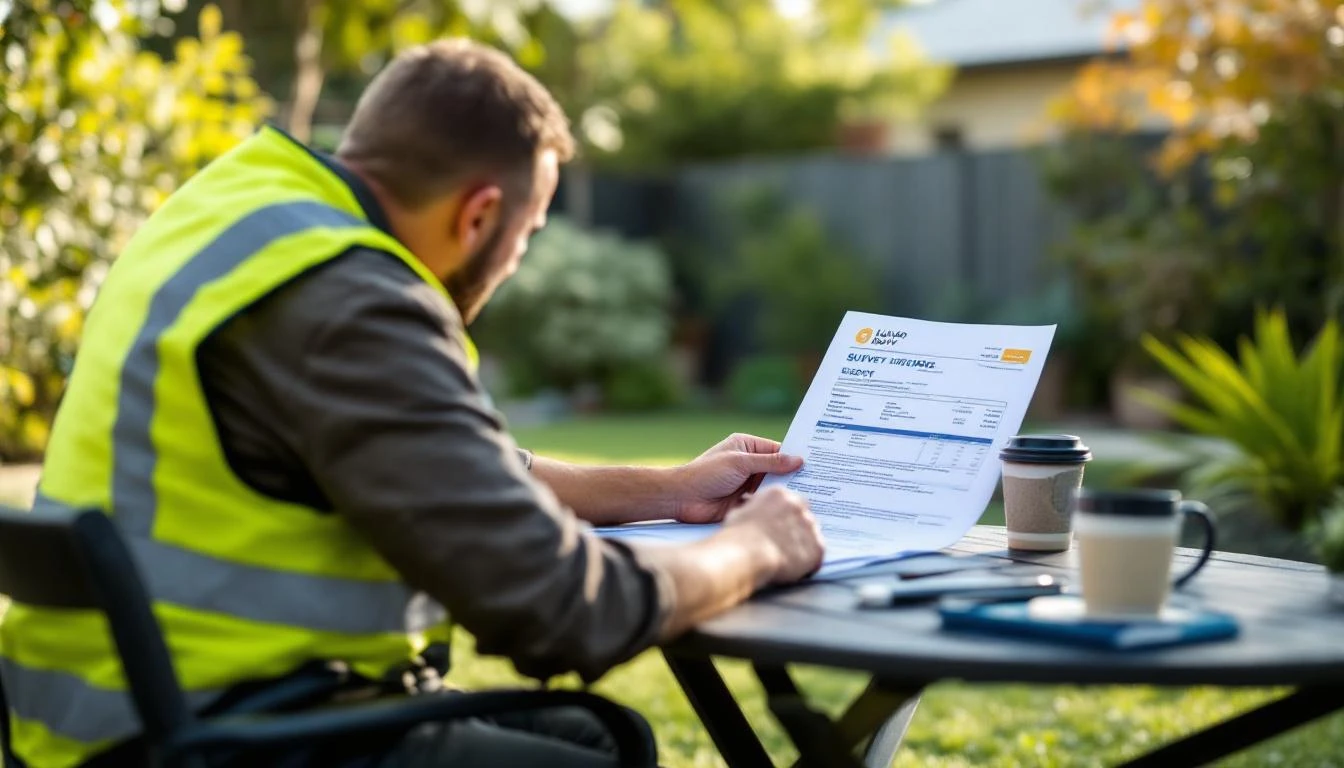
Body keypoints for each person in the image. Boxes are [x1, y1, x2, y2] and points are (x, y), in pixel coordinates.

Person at [0, 38, 825, 768]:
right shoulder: (352, 298)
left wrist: (670, 488)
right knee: (600, 747)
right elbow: (558, 612)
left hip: (111, 714)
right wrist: (751, 550)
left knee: (588, 737)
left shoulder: (235, 215)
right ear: (480, 215)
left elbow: (462, 471)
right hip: (217, 730)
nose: (514, 264)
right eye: (528, 236)